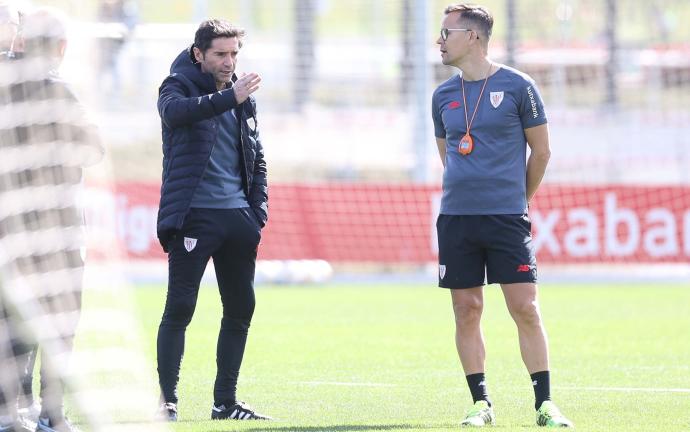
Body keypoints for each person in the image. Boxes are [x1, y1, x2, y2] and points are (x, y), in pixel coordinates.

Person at [431, 4, 573, 428]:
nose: (439, 40)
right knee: (466, 309)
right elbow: (449, 155)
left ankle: (545, 405)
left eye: (446, 32)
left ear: (472, 37)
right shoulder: (441, 95)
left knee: (525, 307)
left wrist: (518, 198)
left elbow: (542, 152)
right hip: (457, 217)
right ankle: (481, 404)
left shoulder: (518, 86)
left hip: (507, 217)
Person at [155, 18, 269, 422]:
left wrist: (257, 212)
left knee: (241, 308)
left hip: (238, 218)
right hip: (194, 217)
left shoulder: (243, 97)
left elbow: (257, 158)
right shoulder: (177, 85)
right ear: (199, 53)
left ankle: (226, 403)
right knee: (181, 306)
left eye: (234, 53)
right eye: (220, 54)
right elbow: (175, 115)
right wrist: (230, 97)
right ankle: (167, 401)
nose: (228, 61)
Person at [0, 6, 103, 432]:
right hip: (54, 230)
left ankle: (14, 412)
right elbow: (94, 148)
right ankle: (51, 413)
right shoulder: (59, 90)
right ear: (61, 48)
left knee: (12, 323)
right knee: (58, 323)